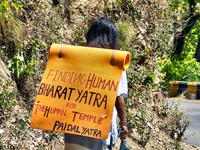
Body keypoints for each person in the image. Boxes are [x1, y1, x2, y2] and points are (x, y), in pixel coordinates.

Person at [64, 17, 129, 150]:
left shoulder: (77, 57)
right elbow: (118, 96)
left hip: (74, 123)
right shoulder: (114, 61)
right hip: (100, 127)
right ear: (112, 38)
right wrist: (123, 123)